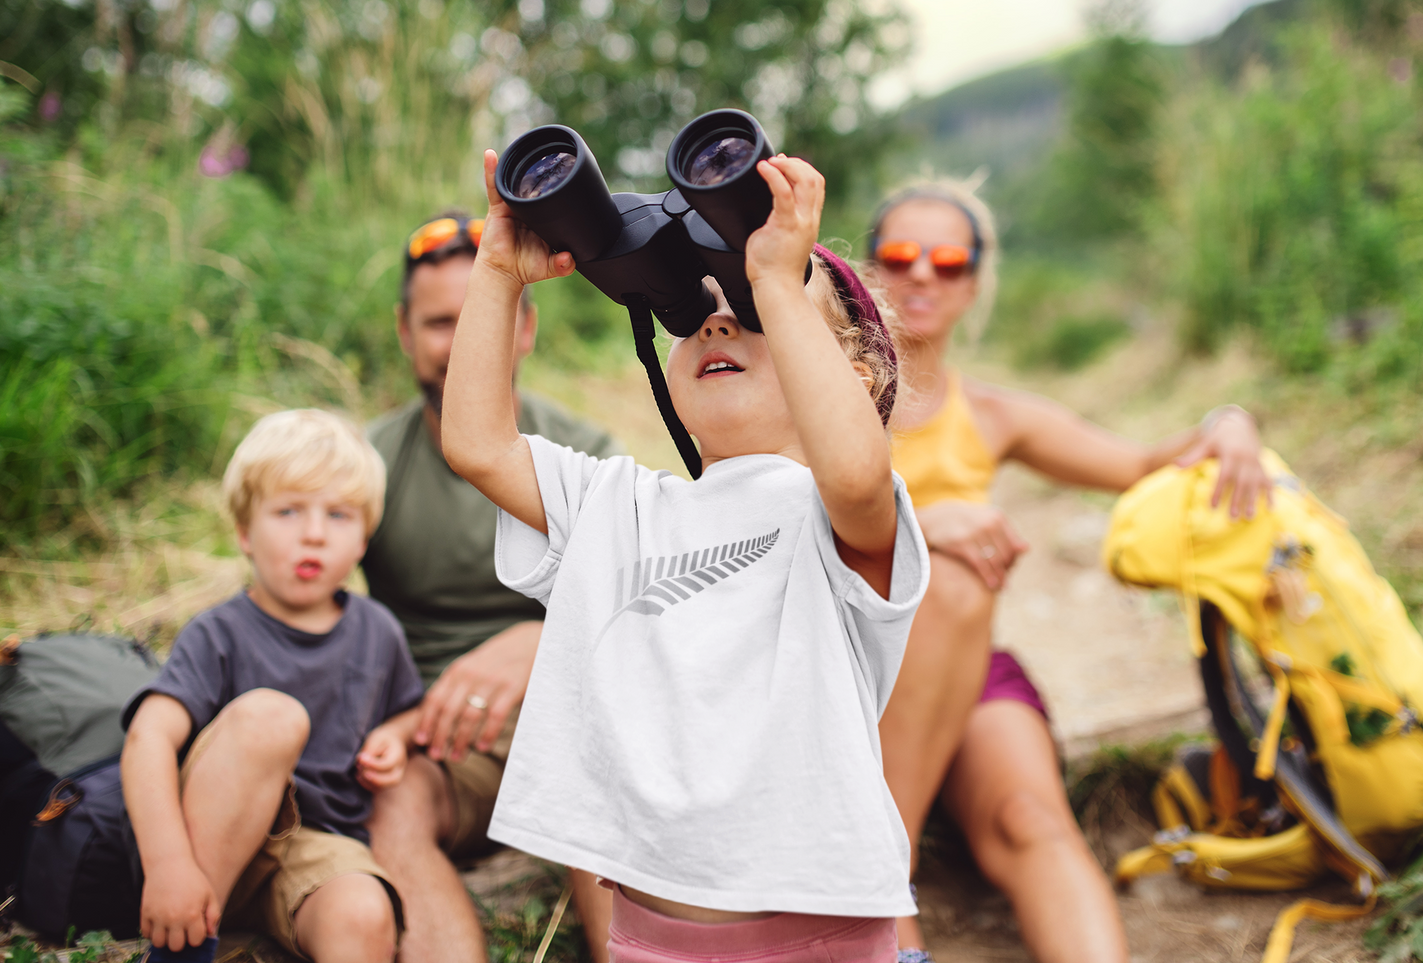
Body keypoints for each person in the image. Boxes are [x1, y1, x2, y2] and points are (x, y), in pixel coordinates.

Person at [442, 148, 929, 961]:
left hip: (818, 934)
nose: (716, 320)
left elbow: (853, 463)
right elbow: (478, 444)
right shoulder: (618, 507)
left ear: (851, 377)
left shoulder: (838, 515)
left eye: (749, 308)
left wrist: (775, 277)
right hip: (647, 935)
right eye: (689, 311)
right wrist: (497, 272)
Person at [868, 182, 1273, 963]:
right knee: (950, 577)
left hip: (960, 665)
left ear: (974, 282)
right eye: (898, 256)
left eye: (948, 261)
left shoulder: (988, 413)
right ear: (867, 270)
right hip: (845, 665)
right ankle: (885, 873)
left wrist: (1227, 421)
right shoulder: (819, 399)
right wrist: (911, 524)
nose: (922, 275)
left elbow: (1142, 463)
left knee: (1031, 818)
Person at [359, 212, 624, 962]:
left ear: (526, 327)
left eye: (485, 313)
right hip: (437, 742)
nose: (458, 342)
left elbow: (643, 608)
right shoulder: (366, 462)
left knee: (590, 737)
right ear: (406, 333)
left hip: (573, 717)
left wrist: (538, 640)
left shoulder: (586, 453)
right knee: (395, 798)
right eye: (442, 322)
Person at [120, 409, 426, 963]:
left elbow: (408, 708)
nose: (313, 533)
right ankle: (180, 950)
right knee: (271, 717)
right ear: (244, 532)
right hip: (208, 842)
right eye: (287, 511)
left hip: (314, 848)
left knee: (364, 913)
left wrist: (396, 737)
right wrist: (169, 865)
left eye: (338, 515)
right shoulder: (220, 632)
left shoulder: (377, 630)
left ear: (363, 540)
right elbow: (148, 737)